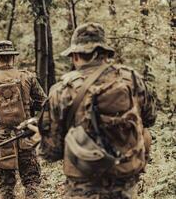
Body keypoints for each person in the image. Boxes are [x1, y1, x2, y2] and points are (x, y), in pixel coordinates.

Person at [38, 22, 157, 198]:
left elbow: (52, 152)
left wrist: (39, 135)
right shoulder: (132, 78)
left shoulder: (61, 90)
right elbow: (150, 119)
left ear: (76, 55)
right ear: (105, 53)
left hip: (82, 188)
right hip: (124, 185)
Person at [0, 40, 47, 199]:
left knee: (6, 184)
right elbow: (45, 103)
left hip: (2, 139)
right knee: (31, 180)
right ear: (13, 58)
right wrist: (31, 115)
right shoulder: (27, 76)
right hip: (26, 136)